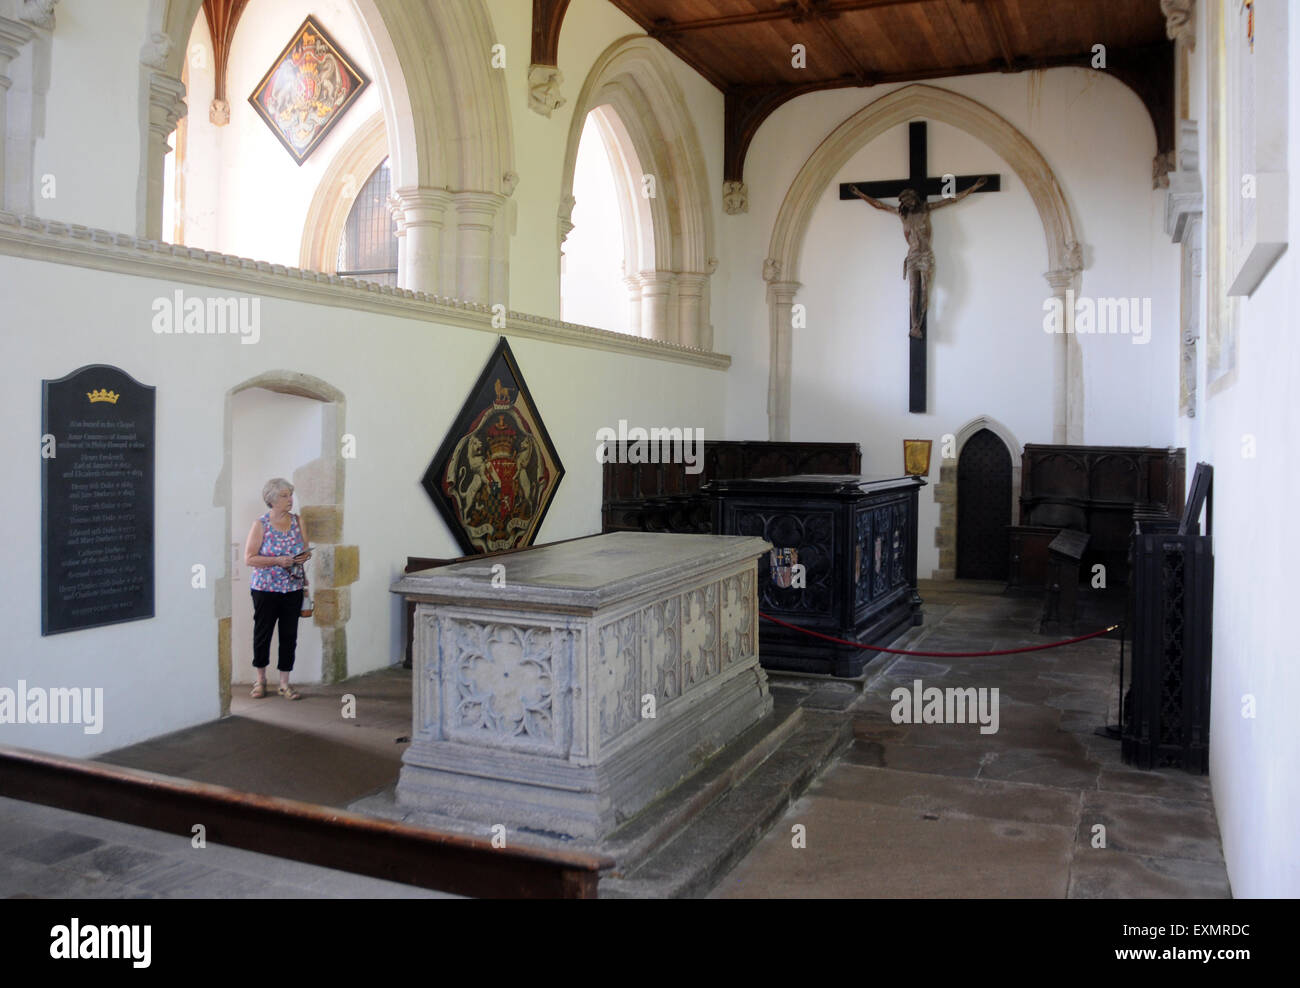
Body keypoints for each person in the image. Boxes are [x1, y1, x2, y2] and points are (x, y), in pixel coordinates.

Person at [243, 478, 313, 700]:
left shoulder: (298, 521)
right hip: (265, 589)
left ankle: (284, 683)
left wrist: (302, 558)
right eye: (284, 496)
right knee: (262, 634)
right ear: (271, 500)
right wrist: (277, 561)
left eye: (290, 495)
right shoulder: (260, 524)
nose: (290, 499)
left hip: (292, 587)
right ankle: (260, 680)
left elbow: (305, 551)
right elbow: (249, 558)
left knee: (289, 635)